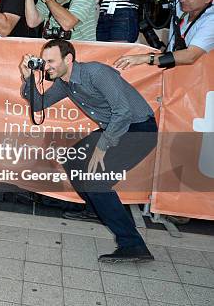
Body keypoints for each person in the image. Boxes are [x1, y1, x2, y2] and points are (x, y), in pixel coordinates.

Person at [21, 39, 157, 263]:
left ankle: (132, 244)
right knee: (72, 160)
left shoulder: (96, 73)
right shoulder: (65, 83)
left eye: (51, 61)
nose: (46, 66)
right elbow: (38, 105)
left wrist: (102, 147)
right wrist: (27, 78)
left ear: (68, 59)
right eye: (44, 61)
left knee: (96, 181)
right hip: (113, 129)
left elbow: (122, 112)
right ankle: (96, 209)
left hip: (139, 130)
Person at [115, 0, 214, 69]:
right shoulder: (182, 7)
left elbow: (190, 56)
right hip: (177, 77)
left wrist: (147, 58)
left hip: (200, 81)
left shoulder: (211, 20)